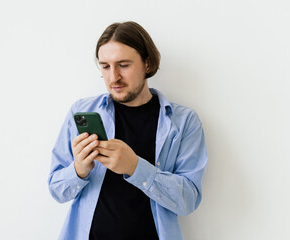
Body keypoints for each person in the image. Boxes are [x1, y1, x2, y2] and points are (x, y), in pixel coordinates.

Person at [48, 21, 208, 240]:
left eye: (123, 65)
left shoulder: (183, 122)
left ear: (147, 64)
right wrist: (79, 169)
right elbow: (56, 190)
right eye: (105, 66)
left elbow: (188, 201)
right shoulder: (82, 111)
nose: (113, 77)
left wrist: (134, 167)